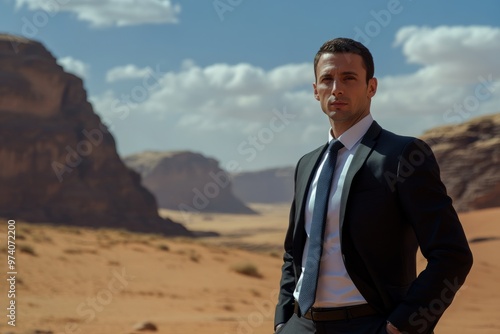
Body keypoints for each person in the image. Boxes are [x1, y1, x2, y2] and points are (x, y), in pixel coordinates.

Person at [274, 38, 473, 334]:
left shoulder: (403, 155)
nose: (336, 89)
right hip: (301, 325)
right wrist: (282, 321)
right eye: (327, 79)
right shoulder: (307, 163)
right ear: (315, 91)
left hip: (370, 324)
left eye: (349, 78)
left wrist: (401, 327)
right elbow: (294, 251)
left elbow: (452, 255)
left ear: (371, 87)